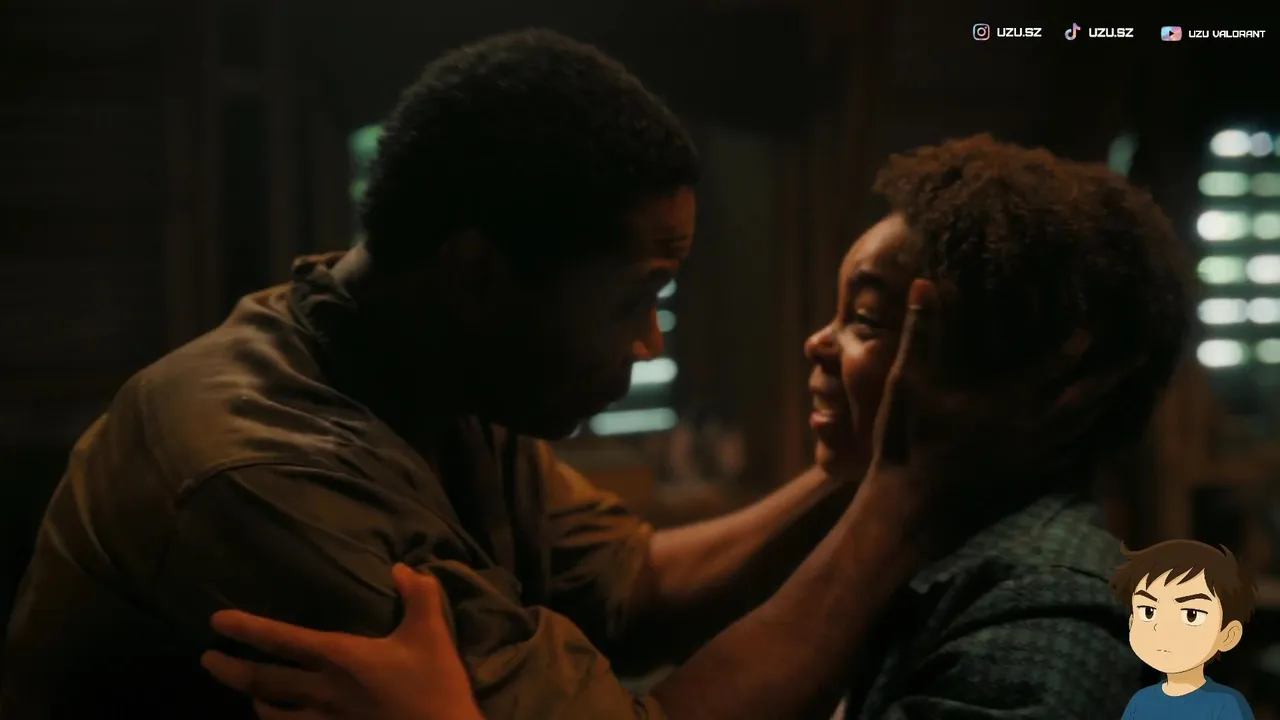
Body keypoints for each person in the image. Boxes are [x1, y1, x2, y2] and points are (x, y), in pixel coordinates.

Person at [2, 31, 1063, 720]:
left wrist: (856, 471)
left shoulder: (442, 372)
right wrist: (905, 499)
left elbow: (629, 590)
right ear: (478, 277)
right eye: (634, 299)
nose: (649, 343)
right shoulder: (255, 473)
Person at [194, 135, 1196, 720]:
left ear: (1009, 374)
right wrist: (880, 481)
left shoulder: (1042, 626)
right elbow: (631, 590)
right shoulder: (941, 560)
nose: (816, 341)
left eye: (867, 319)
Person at [1113, 540, 1257, 719]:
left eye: (1191, 615)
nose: (1163, 628)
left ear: (1228, 635)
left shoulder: (1226, 704)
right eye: (1148, 611)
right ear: (1132, 622)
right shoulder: (1140, 702)